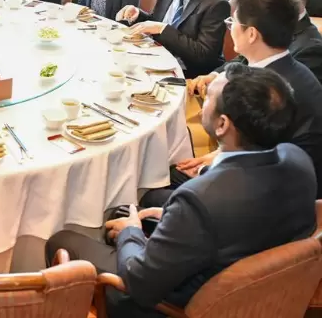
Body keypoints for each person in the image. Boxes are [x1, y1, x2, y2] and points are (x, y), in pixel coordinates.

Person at [46, 64, 316, 318]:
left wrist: (132, 232)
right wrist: (170, 216)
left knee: (63, 240)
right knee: (128, 210)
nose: (201, 101)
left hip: (175, 303)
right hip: (254, 284)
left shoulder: (201, 200)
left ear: (222, 125)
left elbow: (138, 281)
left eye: (207, 97)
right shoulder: (299, 160)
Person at [155, 0, 322, 200]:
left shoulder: (269, 91)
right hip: (269, 172)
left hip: (273, 193)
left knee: (156, 184)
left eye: (232, 22)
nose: (230, 28)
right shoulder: (283, 69)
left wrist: (207, 169)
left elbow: (257, 163)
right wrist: (216, 156)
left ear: (251, 34)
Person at [258, 0, 322, 82]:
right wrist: (216, 75)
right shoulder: (266, 24)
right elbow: (242, 60)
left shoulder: (311, 51)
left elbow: (280, 91)